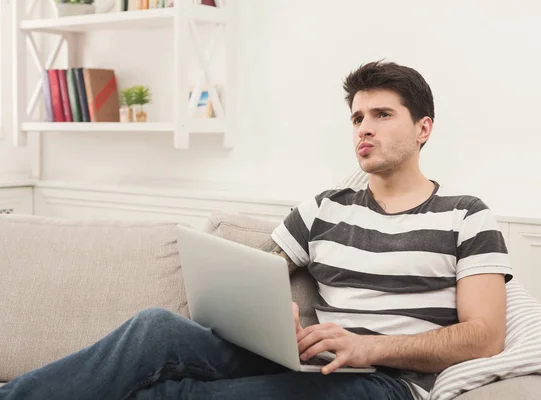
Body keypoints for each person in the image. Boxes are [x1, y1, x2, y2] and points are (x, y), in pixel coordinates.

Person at [0, 61, 512, 400]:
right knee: (156, 328)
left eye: (382, 114)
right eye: (357, 117)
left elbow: (484, 337)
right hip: (310, 361)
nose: (364, 128)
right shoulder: (323, 209)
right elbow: (255, 273)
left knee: (170, 393)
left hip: (383, 383)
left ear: (424, 128)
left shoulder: (466, 216)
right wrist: (273, 316)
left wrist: (370, 347)